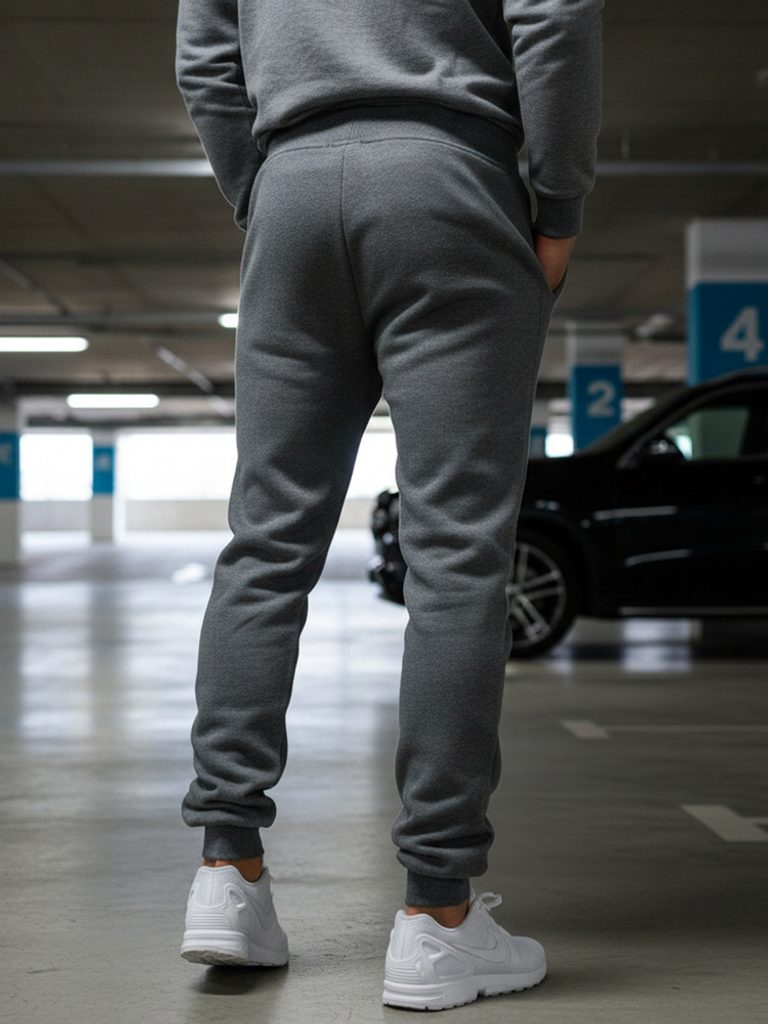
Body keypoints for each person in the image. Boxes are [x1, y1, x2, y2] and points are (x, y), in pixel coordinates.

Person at [174, 0, 603, 1010]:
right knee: (456, 557)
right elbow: (556, 14)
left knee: (267, 543)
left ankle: (227, 869)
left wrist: (266, 187)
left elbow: (204, 56)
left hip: (289, 181)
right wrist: (557, 205)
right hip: (451, 178)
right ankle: (438, 917)